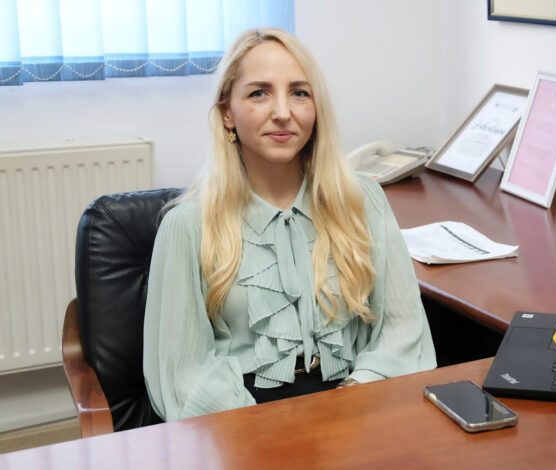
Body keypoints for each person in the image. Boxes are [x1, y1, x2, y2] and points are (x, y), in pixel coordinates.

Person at [142, 27, 436, 421]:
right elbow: (184, 373)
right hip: (241, 421)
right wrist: (262, 433)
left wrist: (352, 401)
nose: (283, 112)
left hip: (357, 403)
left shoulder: (362, 199)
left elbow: (404, 331)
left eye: (299, 93)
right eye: (258, 93)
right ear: (227, 112)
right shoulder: (187, 225)